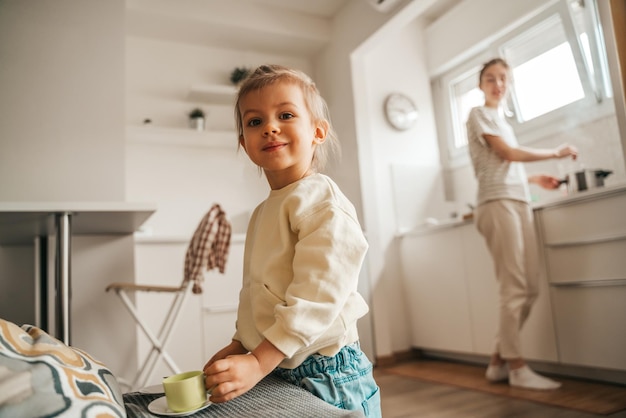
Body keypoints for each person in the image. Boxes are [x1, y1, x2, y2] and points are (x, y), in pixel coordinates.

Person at [202, 64, 381, 417]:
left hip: (328, 374)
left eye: (285, 114)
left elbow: (319, 295)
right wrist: (241, 345)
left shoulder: (320, 199)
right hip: (280, 363)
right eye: (254, 122)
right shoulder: (262, 212)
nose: (269, 127)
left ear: (317, 132)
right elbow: (257, 291)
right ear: (244, 144)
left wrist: (258, 361)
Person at [466, 58, 578, 390]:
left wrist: (531, 180)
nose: (497, 84)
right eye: (490, 78)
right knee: (514, 287)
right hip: (497, 204)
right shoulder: (479, 114)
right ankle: (517, 366)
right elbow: (507, 154)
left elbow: (506, 162)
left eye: (503, 78)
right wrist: (555, 153)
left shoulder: (503, 121)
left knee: (529, 288)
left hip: (517, 200)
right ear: (481, 85)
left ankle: (498, 362)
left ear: (509, 84)